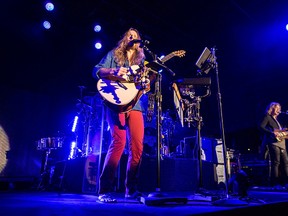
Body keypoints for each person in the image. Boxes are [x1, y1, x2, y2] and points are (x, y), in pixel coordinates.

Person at [92, 28, 148, 203]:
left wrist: (145, 86)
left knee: (137, 147)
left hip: (135, 104)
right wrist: (113, 72)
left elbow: (142, 87)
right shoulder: (114, 55)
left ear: (139, 41)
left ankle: (131, 189)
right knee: (119, 142)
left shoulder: (142, 63)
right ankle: (104, 190)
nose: (132, 37)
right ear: (125, 39)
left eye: (135, 36)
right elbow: (97, 70)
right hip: (115, 103)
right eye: (129, 35)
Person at [259, 102, 288, 189]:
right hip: (273, 142)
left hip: (281, 143)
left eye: (280, 108)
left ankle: (286, 183)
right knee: (276, 163)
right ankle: (274, 184)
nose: (279, 109)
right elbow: (261, 127)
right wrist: (271, 133)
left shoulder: (277, 121)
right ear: (272, 108)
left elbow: (279, 132)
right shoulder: (267, 117)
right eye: (277, 108)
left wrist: (283, 131)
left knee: (286, 163)